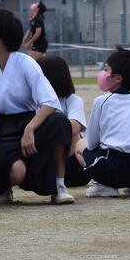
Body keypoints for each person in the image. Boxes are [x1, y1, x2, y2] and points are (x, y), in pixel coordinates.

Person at [0, 9, 74, 205]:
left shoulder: (26, 63)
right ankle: (2, 187)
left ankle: (60, 185)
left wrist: (30, 128)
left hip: (27, 122)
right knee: (16, 172)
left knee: (59, 122)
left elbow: (50, 102)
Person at [81, 47, 130, 197]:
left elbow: (91, 143)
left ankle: (105, 185)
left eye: (106, 69)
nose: (102, 73)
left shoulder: (102, 101)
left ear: (117, 78)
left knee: (81, 145)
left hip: (113, 168)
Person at [38, 55, 89, 187]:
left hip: (72, 168)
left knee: (68, 129)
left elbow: (75, 127)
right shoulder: (34, 100)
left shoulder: (72, 100)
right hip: (44, 162)